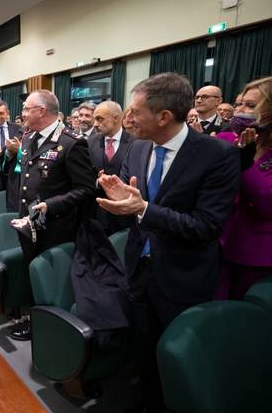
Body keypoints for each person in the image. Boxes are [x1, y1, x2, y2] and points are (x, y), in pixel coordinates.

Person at [97, 73, 240, 412]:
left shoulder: (217, 155)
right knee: (143, 351)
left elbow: (206, 226)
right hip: (139, 270)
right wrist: (122, 202)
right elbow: (135, 209)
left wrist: (144, 208)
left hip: (183, 276)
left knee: (179, 358)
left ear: (163, 117)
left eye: (135, 113)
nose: (128, 119)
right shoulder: (139, 148)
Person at [9, 90, 96, 340]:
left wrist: (51, 204)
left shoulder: (71, 142)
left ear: (41, 111)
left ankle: (50, 328)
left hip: (56, 228)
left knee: (50, 281)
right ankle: (33, 319)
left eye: (26, 109)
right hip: (29, 225)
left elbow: (86, 189)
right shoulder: (27, 138)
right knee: (30, 273)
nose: (23, 114)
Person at [217, 76, 272, 299]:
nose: (241, 110)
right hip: (219, 244)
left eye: (251, 106)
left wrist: (245, 161)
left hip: (256, 253)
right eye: (239, 103)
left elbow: (267, 203)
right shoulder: (225, 138)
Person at [88, 101, 135, 234]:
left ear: (115, 118)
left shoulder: (136, 143)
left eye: (100, 119)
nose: (95, 124)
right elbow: (83, 175)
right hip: (95, 215)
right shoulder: (89, 143)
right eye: (95, 119)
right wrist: (98, 182)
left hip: (125, 217)